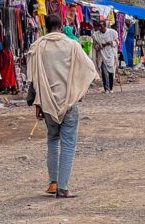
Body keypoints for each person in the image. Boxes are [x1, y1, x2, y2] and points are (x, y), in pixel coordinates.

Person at [27, 14, 98, 199]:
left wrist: (37, 102)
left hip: (47, 103)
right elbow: (89, 68)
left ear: (45, 27)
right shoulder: (72, 45)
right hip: (69, 102)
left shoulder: (38, 47)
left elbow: (33, 78)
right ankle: (63, 187)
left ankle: (53, 183)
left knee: (52, 140)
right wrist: (79, 91)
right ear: (62, 25)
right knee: (68, 145)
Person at [91, 20, 118, 93]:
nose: (99, 28)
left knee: (111, 72)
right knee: (104, 72)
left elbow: (117, 42)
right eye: (99, 26)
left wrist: (111, 43)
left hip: (111, 55)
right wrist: (103, 45)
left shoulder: (112, 33)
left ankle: (111, 88)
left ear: (105, 26)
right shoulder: (96, 35)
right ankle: (106, 88)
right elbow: (95, 46)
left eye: (101, 26)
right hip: (102, 56)